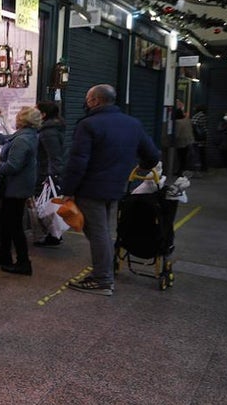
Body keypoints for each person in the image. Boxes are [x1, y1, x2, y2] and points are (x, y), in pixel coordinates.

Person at [62, 84, 160, 296]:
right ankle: (104, 273)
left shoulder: (88, 125)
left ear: (95, 101)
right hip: (117, 187)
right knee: (104, 231)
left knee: (98, 233)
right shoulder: (132, 123)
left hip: (90, 189)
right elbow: (152, 155)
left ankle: (103, 279)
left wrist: (68, 190)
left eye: (88, 99)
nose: (86, 103)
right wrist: (139, 169)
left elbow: (78, 161)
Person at [0, 107, 41, 274]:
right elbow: (4, 139)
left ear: (22, 120)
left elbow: (12, 166)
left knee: (14, 225)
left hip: (16, 188)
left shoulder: (22, 140)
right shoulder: (26, 135)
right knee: (6, 222)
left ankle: (23, 263)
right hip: (17, 187)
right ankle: (4, 255)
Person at [34, 100, 66, 247]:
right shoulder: (50, 129)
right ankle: (53, 235)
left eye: (36, 110)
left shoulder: (48, 132)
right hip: (45, 172)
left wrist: (52, 176)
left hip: (45, 173)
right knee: (47, 205)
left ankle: (53, 235)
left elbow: (54, 156)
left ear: (44, 114)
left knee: (46, 206)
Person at [167, 105, 195, 176]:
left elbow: (177, 134)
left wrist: (171, 139)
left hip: (181, 142)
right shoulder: (187, 120)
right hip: (189, 141)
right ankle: (183, 171)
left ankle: (180, 171)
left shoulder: (177, 122)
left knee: (180, 157)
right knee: (185, 157)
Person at [191, 105, 208, 172]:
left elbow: (193, 124)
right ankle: (203, 167)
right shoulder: (204, 116)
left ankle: (198, 167)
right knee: (202, 152)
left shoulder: (198, 116)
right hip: (203, 136)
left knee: (198, 152)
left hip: (198, 137)